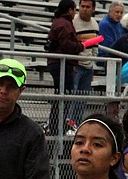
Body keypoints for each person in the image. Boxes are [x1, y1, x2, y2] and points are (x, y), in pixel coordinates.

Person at [46, 0, 84, 135]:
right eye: (75, 10)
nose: (75, 13)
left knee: (61, 96)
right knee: (63, 97)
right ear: (69, 10)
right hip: (62, 64)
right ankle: (58, 127)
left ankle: (57, 126)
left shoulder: (59, 22)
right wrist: (80, 46)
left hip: (58, 63)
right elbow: (67, 45)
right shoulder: (65, 24)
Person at [71, 0, 99, 127]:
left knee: (83, 98)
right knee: (72, 96)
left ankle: (76, 123)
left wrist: (92, 59)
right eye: (82, 6)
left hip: (88, 66)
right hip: (76, 64)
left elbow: (95, 45)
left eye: (88, 7)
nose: (84, 9)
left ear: (93, 9)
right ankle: (69, 122)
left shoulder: (94, 23)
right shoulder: (73, 22)